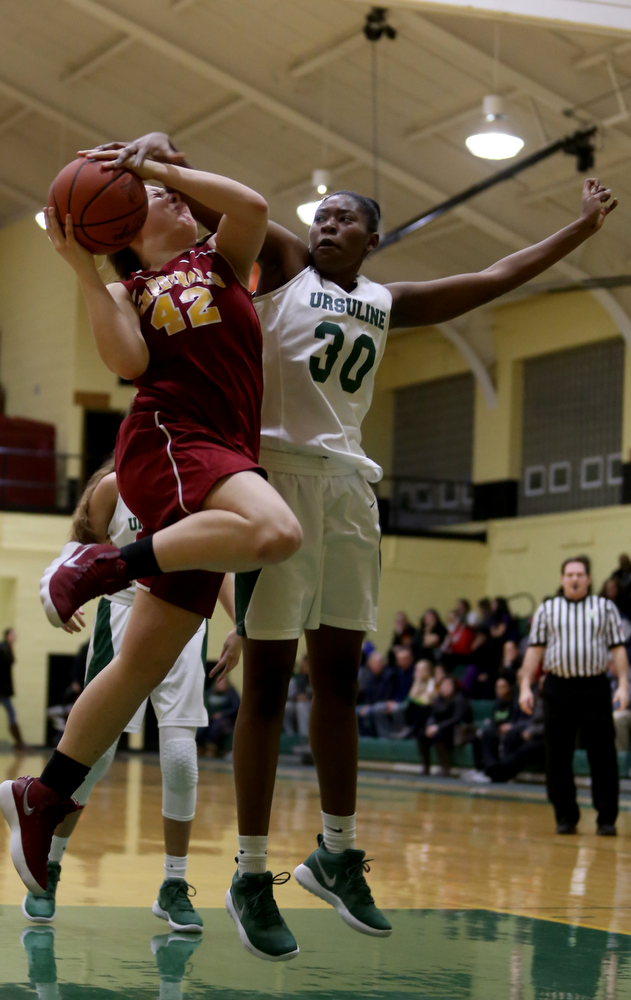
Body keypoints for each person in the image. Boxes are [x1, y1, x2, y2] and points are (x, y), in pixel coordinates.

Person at [83, 131, 618, 961]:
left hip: (350, 494)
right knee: (266, 685)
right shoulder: (286, 268)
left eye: (344, 220)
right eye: (321, 216)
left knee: (335, 680)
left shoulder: (383, 299)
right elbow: (238, 206)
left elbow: (492, 278)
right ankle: (251, 873)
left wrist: (578, 233)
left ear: (373, 238)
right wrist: (165, 152)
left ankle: (335, 852)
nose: (326, 225)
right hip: (273, 479)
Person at [0, 151, 303, 909]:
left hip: (221, 447)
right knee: (275, 532)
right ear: (130, 227)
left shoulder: (220, 260)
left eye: (177, 192)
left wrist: (152, 162)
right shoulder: (128, 287)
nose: (177, 199)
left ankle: (45, 794)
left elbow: (254, 204)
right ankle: (103, 568)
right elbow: (130, 360)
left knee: (137, 663)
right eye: (162, 195)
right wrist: (82, 266)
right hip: (171, 437)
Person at [22, 459, 241, 928]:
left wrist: (242, 623)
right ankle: (50, 865)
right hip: (122, 615)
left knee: (182, 759)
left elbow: (220, 563)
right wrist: (58, 595)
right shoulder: (112, 488)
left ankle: (174, 884)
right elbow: (79, 552)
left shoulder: (200, 483)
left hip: (183, 614)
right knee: (94, 758)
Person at [519, 556, 630, 835]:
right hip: (558, 688)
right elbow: (534, 651)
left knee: (603, 754)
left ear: (589, 579)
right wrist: (524, 686)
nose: (575, 579)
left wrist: (624, 684)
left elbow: (618, 650)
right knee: (557, 755)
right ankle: (565, 816)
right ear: (562, 579)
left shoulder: (605, 608)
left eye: (580, 574)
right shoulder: (547, 610)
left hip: (594, 687)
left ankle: (606, 818)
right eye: (569, 574)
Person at [418, 677, 471, 777]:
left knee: (440, 735)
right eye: (444, 685)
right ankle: (426, 767)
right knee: (422, 734)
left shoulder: (459, 698)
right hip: (439, 728)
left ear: (454, 686)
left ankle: (445, 768)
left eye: (449, 685)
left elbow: (456, 718)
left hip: (453, 730)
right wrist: (430, 726)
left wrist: (438, 727)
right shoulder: (438, 699)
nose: (446, 687)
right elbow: (432, 715)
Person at [471, 676, 515, 778]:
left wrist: (508, 726)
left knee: (489, 735)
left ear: (509, 687)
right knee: (478, 736)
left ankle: (490, 770)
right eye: (497, 687)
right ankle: (479, 769)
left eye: (503, 687)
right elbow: (494, 721)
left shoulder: (514, 702)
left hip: (509, 730)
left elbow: (514, 720)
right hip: (496, 730)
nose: (500, 690)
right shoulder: (497, 703)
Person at [199, 674, 241, 757]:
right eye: (219, 682)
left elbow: (236, 707)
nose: (221, 684)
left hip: (226, 719)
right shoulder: (209, 692)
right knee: (202, 726)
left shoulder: (231, 693)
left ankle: (211, 748)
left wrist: (222, 714)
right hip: (210, 718)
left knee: (216, 726)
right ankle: (200, 747)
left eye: (223, 682)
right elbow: (203, 705)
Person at [283, 654, 312, 736]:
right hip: (301, 703)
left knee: (301, 706)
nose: (303, 667)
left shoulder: (319, 678)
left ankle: (305, 737)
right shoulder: (303, 677)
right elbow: (298, 692)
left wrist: (308, 698)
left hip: (311, 704)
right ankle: (290, 735)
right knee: (286, 706)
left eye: (305, 665)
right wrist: (298, 696)